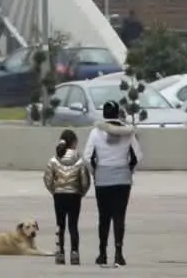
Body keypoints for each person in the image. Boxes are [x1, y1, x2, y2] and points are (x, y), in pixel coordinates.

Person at [82, 101, 143, 267]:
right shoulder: (128, 133)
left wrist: (96, 173)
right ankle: (118, 253)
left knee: (104, 217)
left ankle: (102, 253)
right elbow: (137, 156)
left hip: (103, 179)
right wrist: (129, 171)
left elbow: (87, 157)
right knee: (119, 217)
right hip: (122, 180)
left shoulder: (95, 133)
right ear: (118, 113)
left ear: (104, 114)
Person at [43, 129, 91, 265]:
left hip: (58, 196)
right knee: (73, 225)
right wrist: (81, 192)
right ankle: (74, 252)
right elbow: (85, 181)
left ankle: (60, 253)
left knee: (60, 225)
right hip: (74, 196)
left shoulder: (53, 160)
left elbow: (47, 179)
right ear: (74, 143)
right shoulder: (80, 160)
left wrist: (55, 190)